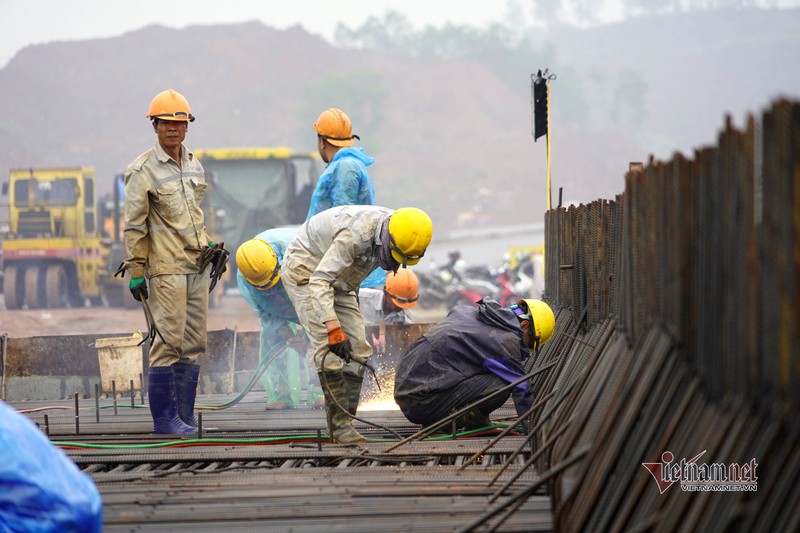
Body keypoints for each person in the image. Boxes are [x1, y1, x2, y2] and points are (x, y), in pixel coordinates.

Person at [120, 89, 228, 435]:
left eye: (179, 123)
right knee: (167, 343)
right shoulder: (142, 171)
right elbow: (135, 225)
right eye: (166, 123)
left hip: (196, 267)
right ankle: (165, 421)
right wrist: (137, 270)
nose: (173, 129)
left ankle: (184, 417)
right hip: (166, 269)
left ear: (187, 126)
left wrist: (208, 243)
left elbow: (193, 216)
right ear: (154, 126)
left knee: (193, 343)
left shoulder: (194, 165)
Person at [281, 204, 433, 443]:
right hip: (307, 272)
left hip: (342, 281)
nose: (397, 264)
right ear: (387, 240)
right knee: (328, 350)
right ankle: (339, 428)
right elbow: (319, 281)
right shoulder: (355, 236)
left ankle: (346, 420)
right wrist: (333, 328)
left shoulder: (402, 229)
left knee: (359, 350)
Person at [393, 297, 556, 432]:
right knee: (503, 383)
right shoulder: (505, 341)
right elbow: (520, 386)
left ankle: (469, 420)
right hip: (421, 402)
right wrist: (534, 430)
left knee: (492, 371)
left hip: (409, 391)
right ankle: (445, 422)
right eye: (530, 342)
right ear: (525, 326)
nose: (526, 348)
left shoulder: (470, 313)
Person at [236, 228, 324, 410]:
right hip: (276, 304)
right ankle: (281, 392)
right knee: (273, 337)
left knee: (321, 334)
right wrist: (289, 337)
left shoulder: (300, 251)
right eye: (264, 286)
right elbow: (266, 314)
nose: (269, 287)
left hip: (305, 290)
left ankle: (323, 390)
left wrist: (310, 329)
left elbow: (318, 295)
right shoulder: (247, 276)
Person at [307, 107, 385, 289]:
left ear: (322, 142)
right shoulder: (346, 165)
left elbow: (343, 221)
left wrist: (331, 271)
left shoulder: (345, 167)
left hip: (339, 266)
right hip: (335, 262)